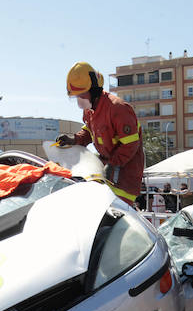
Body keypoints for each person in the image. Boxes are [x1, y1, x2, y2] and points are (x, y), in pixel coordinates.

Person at [56, 62, 145, 205]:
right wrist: (74, 139)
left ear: (94, 90)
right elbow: (89, 131)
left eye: (81, 95)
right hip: (105, 172)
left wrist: (113, 164)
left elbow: (131, 144)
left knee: (114, 216)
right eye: (76, 96)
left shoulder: (118, 108)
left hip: (125, 178)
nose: (79, 101)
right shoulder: (89, 111)